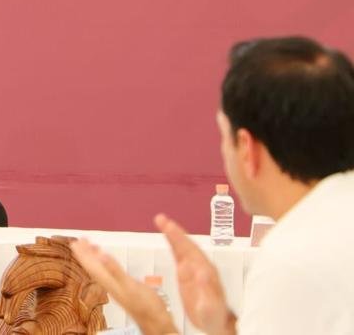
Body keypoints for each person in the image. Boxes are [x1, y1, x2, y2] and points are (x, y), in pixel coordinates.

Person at [71, 36, 354, 334]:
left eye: (223, 134)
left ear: (247, 148)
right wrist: (224, 325)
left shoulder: (294, 259)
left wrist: (155, 323)